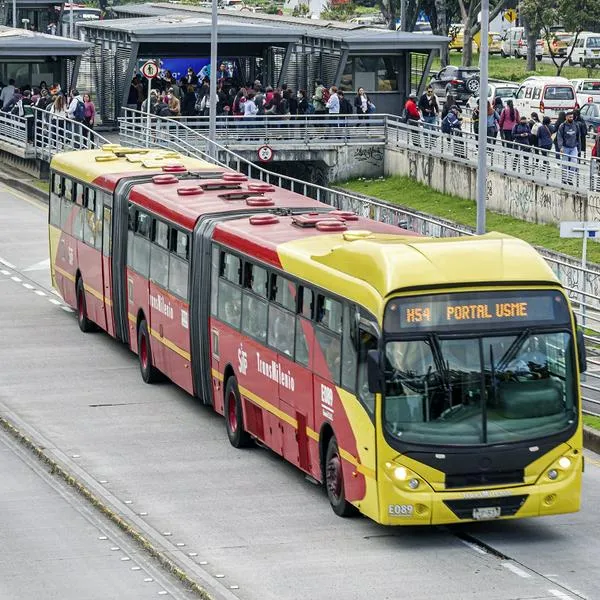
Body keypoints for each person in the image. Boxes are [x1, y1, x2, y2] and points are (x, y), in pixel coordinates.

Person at [557, 110, 580, 184]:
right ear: (566, 117)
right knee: (565, 164)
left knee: (574, 162)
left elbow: (578, 136)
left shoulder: (576, 125)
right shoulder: (562, 126)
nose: (571, 118)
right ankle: (564, 178)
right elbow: (559, 137)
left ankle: (570, 178)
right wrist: (561, 147)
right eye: (570, 117)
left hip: (574, 147)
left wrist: (579, 147)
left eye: (572, 117)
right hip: (565, 147)